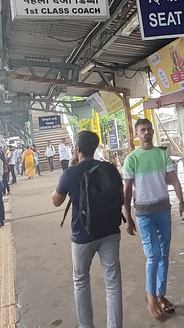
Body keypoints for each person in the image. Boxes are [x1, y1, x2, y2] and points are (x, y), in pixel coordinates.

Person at [52, 131, 125, 328]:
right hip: (110, 231)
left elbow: (56, 201)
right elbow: (122, 197)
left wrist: (69, 169)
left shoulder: (70, 173)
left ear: (77, 149)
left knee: (81, 280)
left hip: (82, 235)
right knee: (113, 282)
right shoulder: (110, 169)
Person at [122, 118, 184, 320]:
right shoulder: (132, 158)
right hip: (143, 213)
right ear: (136, 133)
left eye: (149, 129)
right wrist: (128, 215)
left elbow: (174, 179)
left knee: (164, 254)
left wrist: (181, 201)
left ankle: (161, 295)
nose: (147, 133)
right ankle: (150, 296)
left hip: (163, 210)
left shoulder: (162, 154)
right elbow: (126, 189)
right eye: (143, 130)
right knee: (154, 255)